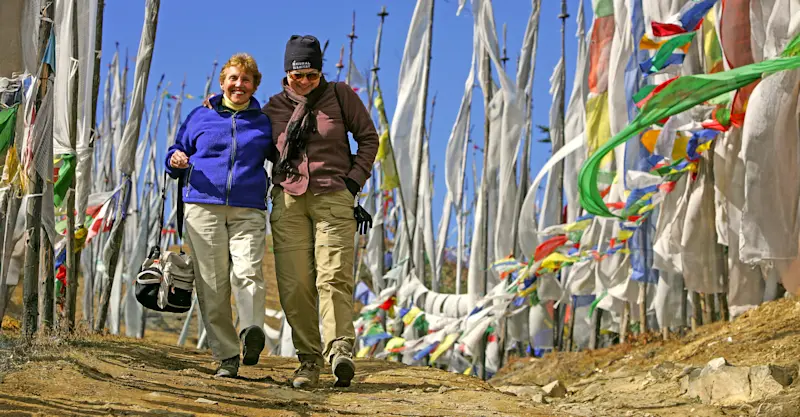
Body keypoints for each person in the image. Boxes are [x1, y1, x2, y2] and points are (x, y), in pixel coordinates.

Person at [264, 35, 379, 389]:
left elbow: (369, 139)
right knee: (295, 285)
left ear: (320, 72)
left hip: (334, 196)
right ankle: (308, 361)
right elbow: (246, 139)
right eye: (297, 76)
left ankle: (340, 350)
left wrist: (352, 182)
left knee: (332, 277)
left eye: (312, 75)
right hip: (289, 199)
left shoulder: (341, 96)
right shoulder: (271, 109)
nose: (304, 82)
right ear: (286, 73)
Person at [165, 53, 275, 378]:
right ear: (223, 82)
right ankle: (227, 356)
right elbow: (175, 150)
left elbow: (285, 155)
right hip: (202, 205)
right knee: (212, 284)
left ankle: (251, 331)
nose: (239, 85)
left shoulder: (264, 122)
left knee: (249, 271)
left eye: (246, 80)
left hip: (248, 207)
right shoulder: (200, 116)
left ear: (255, 85)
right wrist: (176, 159)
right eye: (233, 78)